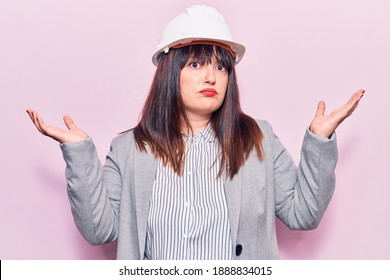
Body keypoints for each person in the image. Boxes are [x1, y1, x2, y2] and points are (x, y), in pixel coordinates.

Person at [26, 5, 364, 260]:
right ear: (171, 72)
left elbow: (302, 213)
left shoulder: (258, 138)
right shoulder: (129, 148)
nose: (211, 77)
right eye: (196, 64)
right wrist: (80, 152)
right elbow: (99, 230)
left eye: (221, 66)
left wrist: (319, 142)